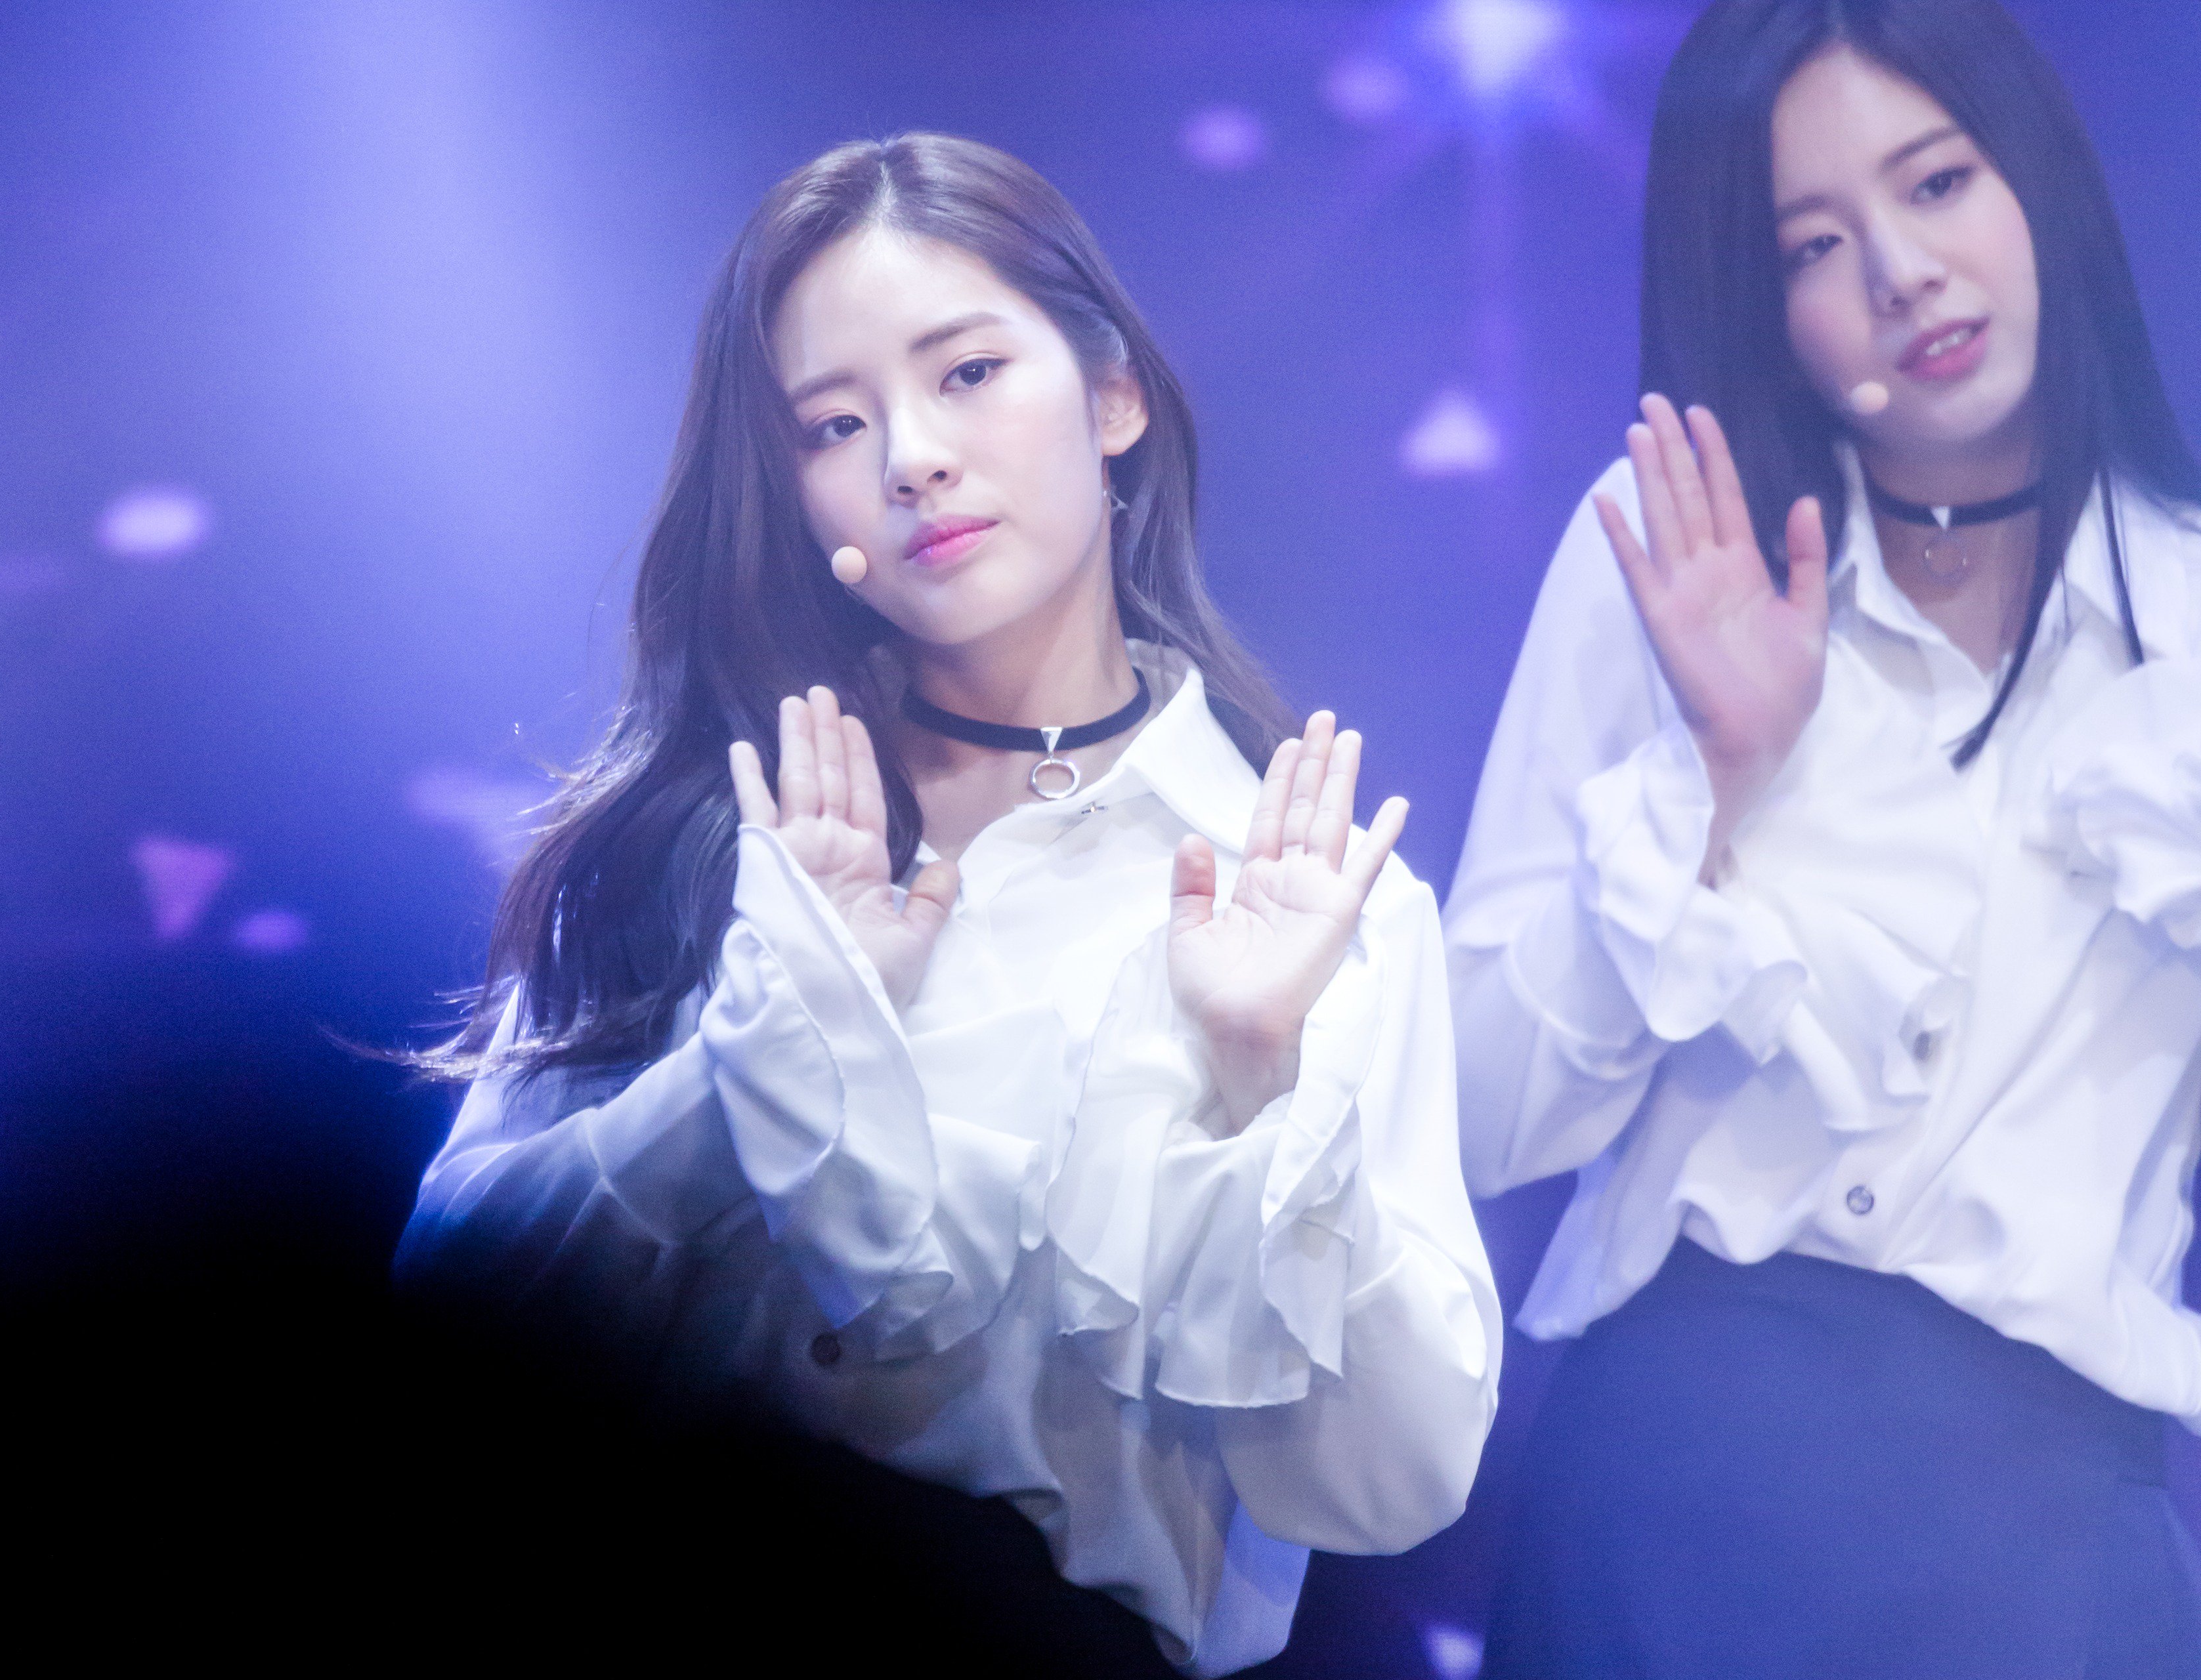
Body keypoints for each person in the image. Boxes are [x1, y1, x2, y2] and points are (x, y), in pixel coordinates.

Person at [396, 133, 1497, 1675]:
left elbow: (1391, 1480)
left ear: (1113, 397)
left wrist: (1258, 1076)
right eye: (834, 423)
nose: (910, 455)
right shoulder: (704, 834)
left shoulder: (1305, 892)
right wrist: (750, 1067)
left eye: (968, 373)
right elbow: (445, 1305)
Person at [1447, 2, 2201, 1674]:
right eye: (1814, 242)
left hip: (2056, 1542)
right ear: (1758, 296)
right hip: (1672, 1496)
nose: (1903, 272)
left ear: (2041, 181)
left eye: (1937, 182)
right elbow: (1479, 1118)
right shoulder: (1661, 554)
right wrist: (1716, 780)